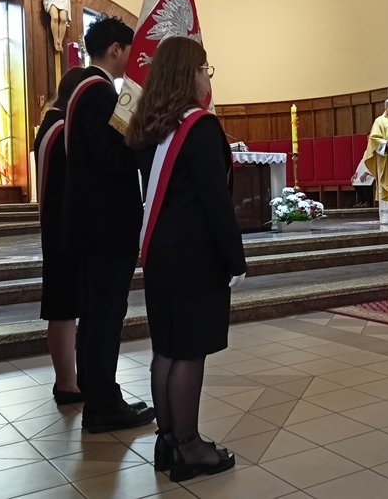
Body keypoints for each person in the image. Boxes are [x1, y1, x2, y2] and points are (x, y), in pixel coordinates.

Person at [126, 36, 245, 482]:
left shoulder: (149, 127)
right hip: (195, 254)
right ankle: (190, 448)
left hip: (160, 251)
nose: (206, 78)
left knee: (166, 348)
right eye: (203, 69)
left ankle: (169, 440)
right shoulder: (201, 128)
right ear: (187, 74)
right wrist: (236, 259)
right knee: (190, 351)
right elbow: (216, 202)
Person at [62, 16, 155, 432]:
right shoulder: (100, 93)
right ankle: (103, 403)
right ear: (116, 49)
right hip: (106, 225)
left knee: (96, 314)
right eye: (130, 51)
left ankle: (100, 395)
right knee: (105, 315)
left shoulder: (83, 89)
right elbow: (113, 159)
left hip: (91, 223)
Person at [32, 67, 85, 405]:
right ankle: (67, 383)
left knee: (63, 306)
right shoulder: (62, 129)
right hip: (64, 230)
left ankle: (68, 380)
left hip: (58, 228)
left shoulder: (51, 125)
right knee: (63, 306)